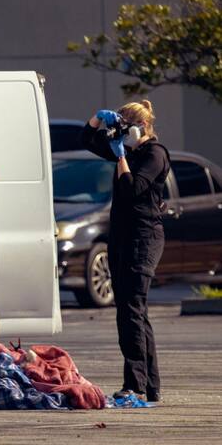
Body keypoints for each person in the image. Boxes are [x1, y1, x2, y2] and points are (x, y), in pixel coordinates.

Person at [81, 100, 170, 403]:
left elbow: (132, 188)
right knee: (133, 312)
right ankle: (151, 385)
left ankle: (135, 384)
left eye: (124, 129)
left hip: (143, 238)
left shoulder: (154, 154)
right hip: (121, 237)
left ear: (141, 128)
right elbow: (88, 140)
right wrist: (97, 118)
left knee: (131, 310)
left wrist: (121, 157)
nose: (120, 136)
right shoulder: (129, 150)